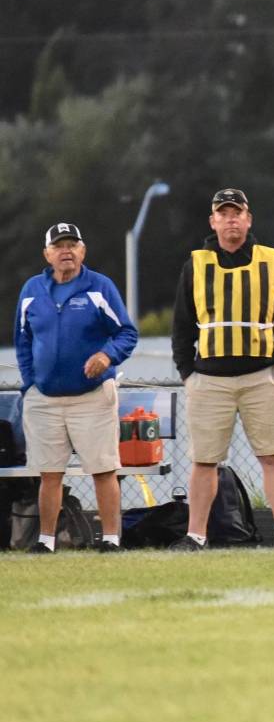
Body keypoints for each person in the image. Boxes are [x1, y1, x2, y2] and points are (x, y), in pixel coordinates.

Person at [171, 188, 274, 550]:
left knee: (272, 456)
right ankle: (196, 535)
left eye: (236, 212)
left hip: (262, 377)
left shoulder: (271, 261)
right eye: (223, 213)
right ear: (213, 221)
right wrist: (189, 373)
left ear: (248, 219)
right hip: (209, 380)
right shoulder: (195, 264)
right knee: (204, 460)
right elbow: (182, 325)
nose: (230, 219)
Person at [14, 222, 138, 553]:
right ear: (47, 254)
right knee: (50, 474)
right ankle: (46, 541)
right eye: (59, 245)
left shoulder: (99, 287)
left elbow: (126, 333)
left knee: (102, 469)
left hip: (92, 397)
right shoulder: (31, 290)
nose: (65, 250)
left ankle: (111, 539)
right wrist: (31, 384)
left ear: (83, 251)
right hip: (45, 399)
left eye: (72, 244)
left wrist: (106, 355)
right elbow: (23, 341)